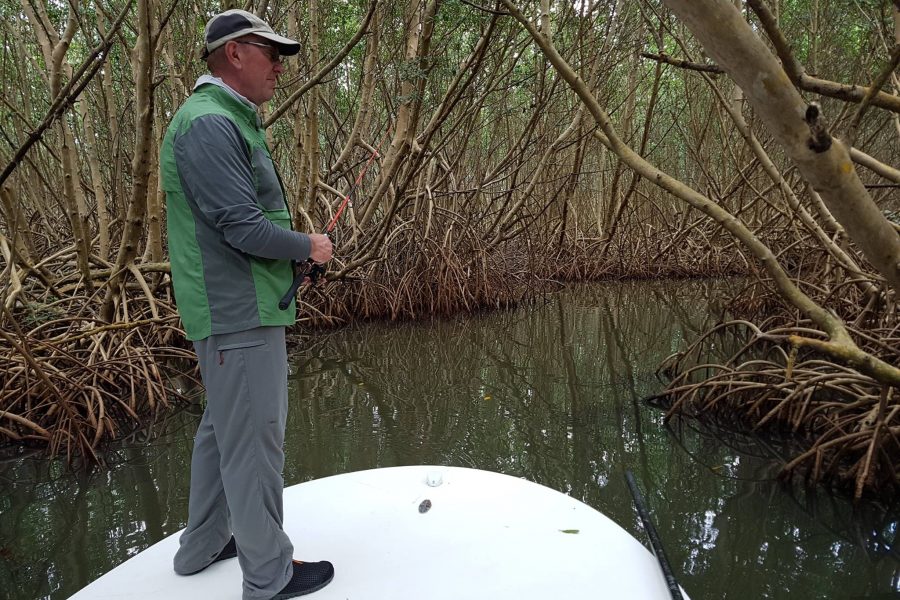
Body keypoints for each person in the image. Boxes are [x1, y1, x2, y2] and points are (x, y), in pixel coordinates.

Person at [159, 9, 334, 600]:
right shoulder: (209, 124)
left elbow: (231, 226)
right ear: (235, 54)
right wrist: (307, 244)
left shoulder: (223, 119)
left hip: (235, 309)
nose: (280, 66)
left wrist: (288, 261)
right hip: (238, 316)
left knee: (222, 431)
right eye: (271, 53)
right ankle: (269, 575)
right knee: (255, 440)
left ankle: (203, 544)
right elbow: (241, 226)